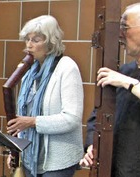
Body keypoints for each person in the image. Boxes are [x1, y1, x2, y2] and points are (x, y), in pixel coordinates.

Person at [80, 2, 140, 177]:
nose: (120, 34)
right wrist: (92, 145)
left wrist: (128, 83)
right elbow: (98, 114)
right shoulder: (124, 71)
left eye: (125, 27)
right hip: (115, 170)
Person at [5, 15, 84, 177]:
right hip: (30, 157)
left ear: (50, 43)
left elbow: (72, 118)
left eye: (36, 40)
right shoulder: (29, 72)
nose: (29, 45)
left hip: (58, 161)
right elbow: (22, 118)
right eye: (27, 39)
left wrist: (33, 122)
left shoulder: (67, 67)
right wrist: (15, 149)